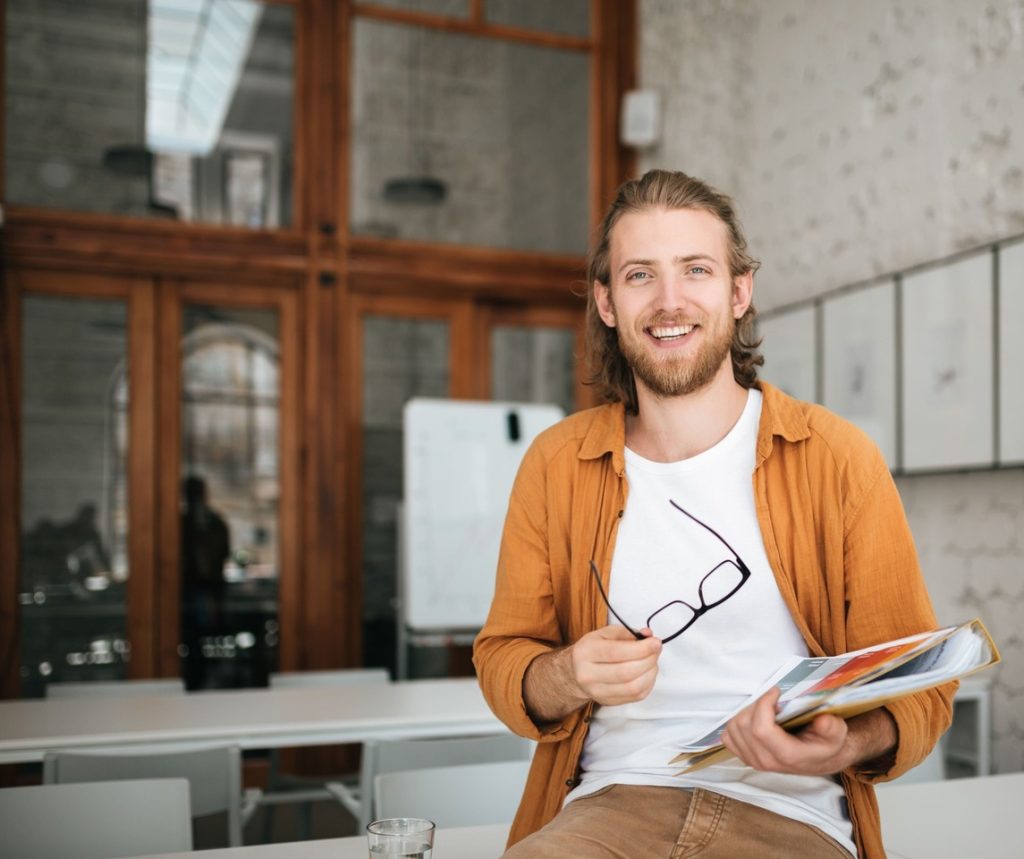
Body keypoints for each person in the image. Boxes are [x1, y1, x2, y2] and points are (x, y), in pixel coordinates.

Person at [473, 169, 954, 858]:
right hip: (607, 809)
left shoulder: (838, 458)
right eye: (641, 275)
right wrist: (570, 673)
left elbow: (917, 687)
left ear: (738, 291)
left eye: (695, 269)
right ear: (607, 302)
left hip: (791, 814)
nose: (670, 302)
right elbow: (503, 658)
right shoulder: (556, 464)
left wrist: (845, 742)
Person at [180, 474, 231, 690]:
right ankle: (195, 677)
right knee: (191, 639)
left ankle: (209, 674)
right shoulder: (181, 523)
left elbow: (223, 551)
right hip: (187, 591)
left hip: (210, 589)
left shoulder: (213, 522)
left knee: (209, 635)